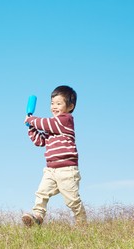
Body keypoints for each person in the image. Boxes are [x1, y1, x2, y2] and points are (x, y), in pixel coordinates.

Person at [22, 85, 87, 227]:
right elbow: (40, 141)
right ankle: (37, 216)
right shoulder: (52, 127)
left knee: (72, 200)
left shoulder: (65, 120)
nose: (54, 107)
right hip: (51, 169)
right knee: (41, 193)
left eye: (59, 103)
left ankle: (82, 223)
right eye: (52, 103)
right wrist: (31, 128)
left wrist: (31, 120)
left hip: (67, 170)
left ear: (70, 107)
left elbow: (47, 123)